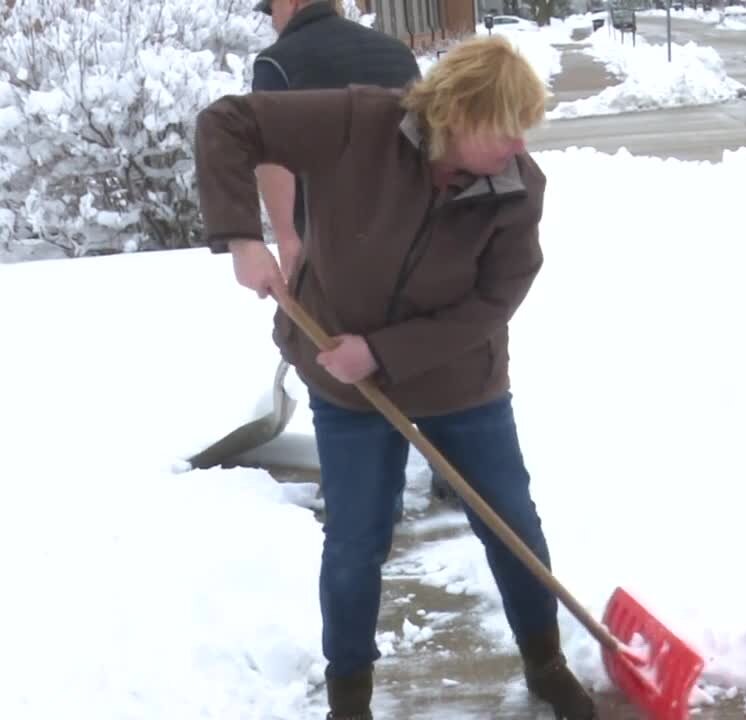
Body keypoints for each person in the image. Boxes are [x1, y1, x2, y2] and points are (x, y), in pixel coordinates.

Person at [193, 35, 596, 720]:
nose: (518, 146)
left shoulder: (517, 190)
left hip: (461, 383)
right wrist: (242, 236)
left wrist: (382, 351)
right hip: (342, 386)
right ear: (458, 113)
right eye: (504, 127)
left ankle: (546, 665)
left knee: (513, 527)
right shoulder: (362, 123)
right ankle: (349, 696)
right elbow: (228, 123)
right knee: (356, 541)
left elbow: (492, 304)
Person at [250, 0, 462, 510]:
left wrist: (287, 237)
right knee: (414, 353)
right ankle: (451, 469)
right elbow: (424, 137)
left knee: (342, 361)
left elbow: (271, 153)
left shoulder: (277, 64)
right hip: (408, 233)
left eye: (269, 9)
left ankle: (371, 491)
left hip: (333, 245)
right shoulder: (394, 54)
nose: (268, 19)